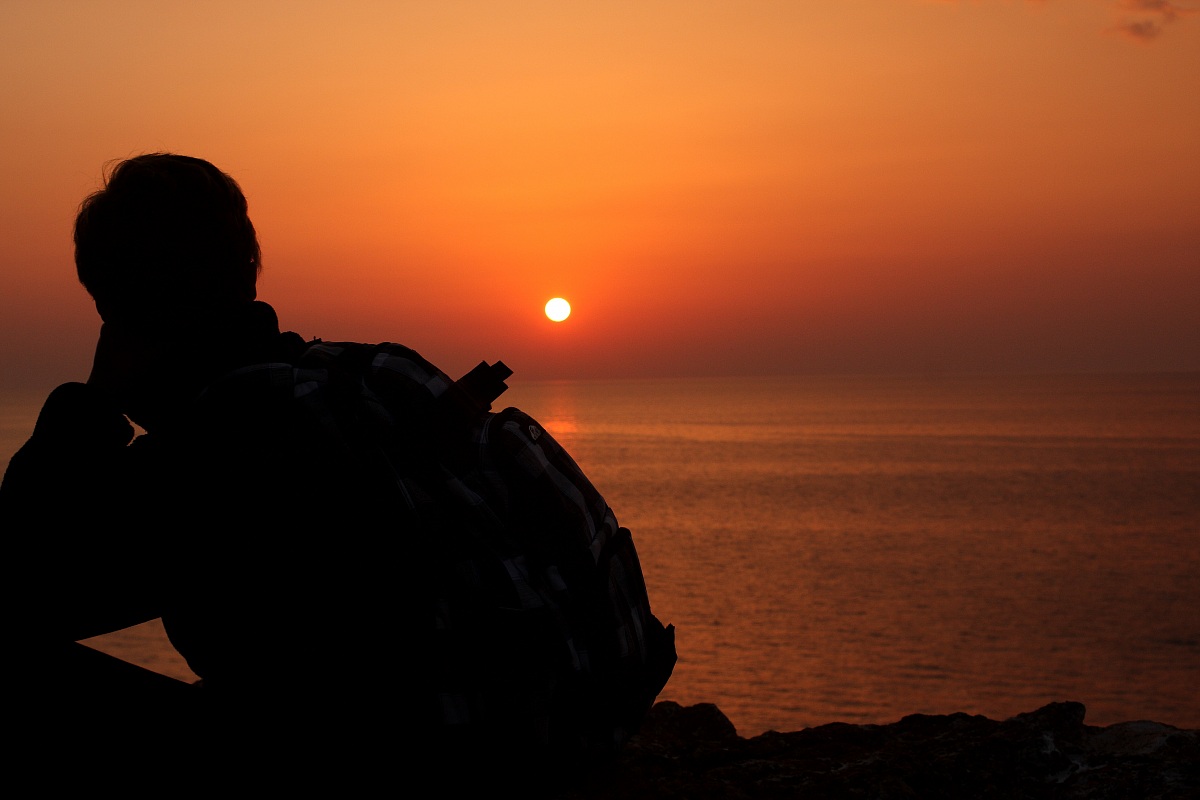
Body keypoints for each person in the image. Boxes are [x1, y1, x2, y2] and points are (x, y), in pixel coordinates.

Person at [1, 154, 675, 791]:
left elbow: (25, 595)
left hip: (399, 771)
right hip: (558, 746)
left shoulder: (208, 447)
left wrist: (86, 407)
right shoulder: (386, 374)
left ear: (118, 314)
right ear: (246, 273)